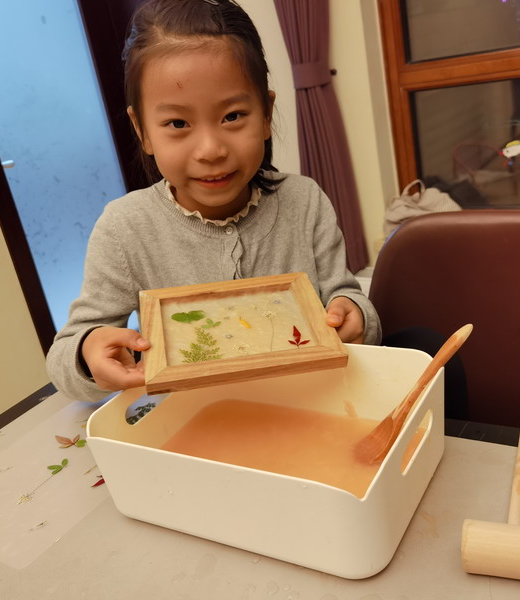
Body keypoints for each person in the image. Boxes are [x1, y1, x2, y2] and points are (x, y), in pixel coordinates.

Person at [45, 0, 381, 404]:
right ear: (143, 130)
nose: (210, 150)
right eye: (178, 123)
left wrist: (354, 315)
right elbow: (64, 355)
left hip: (312, 403)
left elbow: (348, 297)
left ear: (266, 113)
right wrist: (88, 351)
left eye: (233, 116)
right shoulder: (125, 228)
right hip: (191, 419)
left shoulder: (304, 201)